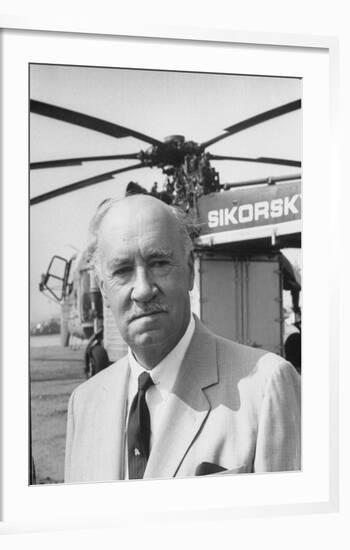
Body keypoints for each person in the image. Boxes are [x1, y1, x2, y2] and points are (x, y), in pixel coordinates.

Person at [64, 194, 301, 483]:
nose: (142, 289)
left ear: (190, 271)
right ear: (103, 289)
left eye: (159, 263)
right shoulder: (83, 404)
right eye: (122, 271)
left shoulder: (266, 387)